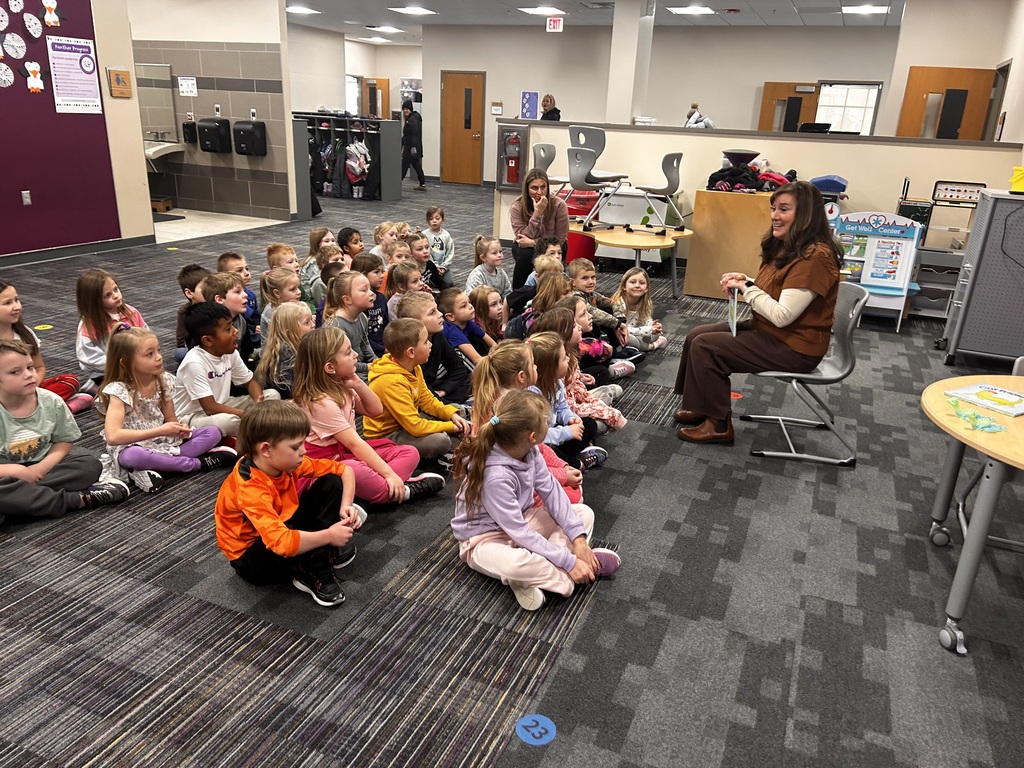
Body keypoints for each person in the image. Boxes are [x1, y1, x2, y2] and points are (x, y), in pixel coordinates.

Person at [673, 180, 842, 445]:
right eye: (774, 208)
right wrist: (745, 281)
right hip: (773, 332)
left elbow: (783, 314)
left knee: (707, 346)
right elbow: (778, 291)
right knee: (697, 335)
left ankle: (717, 425)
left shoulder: (815, 256)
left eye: (784, 209)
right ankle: (703, 406)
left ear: (806, 214)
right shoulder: (790, 245)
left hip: (795, 347)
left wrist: (747, 287)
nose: (775, 215)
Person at [450, 389, 619, 612]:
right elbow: (518, 531)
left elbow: (551, 492)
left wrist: (578, 540)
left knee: (583, 513)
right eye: (546, 422)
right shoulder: (496, 477)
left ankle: (549, 575)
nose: (548, 426)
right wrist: (568, 562)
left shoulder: (530, 452)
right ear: (532, 435)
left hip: (523, 519)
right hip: (484, 540)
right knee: (517, 565)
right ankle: (571, 575)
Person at [214, 400, 364, 608]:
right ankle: (313, 563)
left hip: (282, 525)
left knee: (332, 482)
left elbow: (343, 470)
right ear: (266, 449)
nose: (303, 451)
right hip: (254, 560)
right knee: (296, 539)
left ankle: (316, 554)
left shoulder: (284, 462)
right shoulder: (250, 488)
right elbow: (281, 543)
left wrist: (345, 506)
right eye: (295, 446)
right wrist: (329, 536)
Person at [292, 327, 444, 506]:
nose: (356, 355)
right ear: (330, 367)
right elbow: (354, 443)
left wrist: (357, 383)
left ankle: (370, 493)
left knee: (409, 452)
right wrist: (389, 473)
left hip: (346, 454)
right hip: (325, 465)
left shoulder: (343, 385)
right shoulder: (321, 402)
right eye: (348, 352)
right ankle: (402, 492)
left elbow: (375, 410)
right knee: (353, 469)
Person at [0, 339, 129, 521]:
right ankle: (77, 499)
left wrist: (39, 469)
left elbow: (64, 441)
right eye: (15, 372)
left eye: (30, 367)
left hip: (46, 467)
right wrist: (15, 471)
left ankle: (16, 506)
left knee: (90, 465)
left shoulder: (51, 401)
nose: (29, 375)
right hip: (6, 473)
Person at [98, 326, 234, 493]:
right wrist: (160, 430)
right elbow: (113, 436)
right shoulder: (119, 391)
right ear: (126, 363)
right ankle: (195, 464)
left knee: (213, 432)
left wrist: (178, 429)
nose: (159, 357)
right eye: (150, 354)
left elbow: (170, 419)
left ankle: (156, 467)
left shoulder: (164, 381)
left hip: (163, 442)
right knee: (132, 456)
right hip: (132, 445)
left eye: (158, 351)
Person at [472, 340, 583, 505]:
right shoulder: (517, 410)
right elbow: (523, 469)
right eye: (533, 364)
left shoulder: (508, 398)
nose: (536, 367)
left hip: (523, 470)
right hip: (512, 484)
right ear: (521, 377)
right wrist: (562, 475)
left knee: (573, 490)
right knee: (575, 498)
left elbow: (538, 449)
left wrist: (561, 466)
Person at [362, 318, 471, 462]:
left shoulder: (414, 367)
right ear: (411, 352)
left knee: (457, 411)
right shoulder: (391, 382)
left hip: (406, 424)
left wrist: (451, 416)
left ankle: (455, 439)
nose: (431, 345)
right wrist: (452, 426)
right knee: (440, 441)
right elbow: (415, 427)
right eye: (426, 342)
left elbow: (427, 400)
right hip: (387, 435)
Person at [173, 302, 281, 437]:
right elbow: (210, 407)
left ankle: (259, 429)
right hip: (192, 417)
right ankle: (262, 433)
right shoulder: (194, 362)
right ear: (207, 340)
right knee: (228, 422)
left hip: (223, 404)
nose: (235, 331)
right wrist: (248, 414)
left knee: (272, 395)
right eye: (228, 328)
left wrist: (259, 404)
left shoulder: (230, 352)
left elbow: (250, 381)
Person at [0, 279, 93, 413]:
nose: (16, 306)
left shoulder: (25, 333)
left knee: (69, 381)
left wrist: (30, 387)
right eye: (7, 303)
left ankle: (51, 408)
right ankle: (57, 409)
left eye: (17, 300)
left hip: (29, 389)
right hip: (5, 395)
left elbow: (39, 367)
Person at [526, 331, 606, 471]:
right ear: (550, 368)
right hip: (541, 439)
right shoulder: (531, 396)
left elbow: (562, 408)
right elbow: (536, 437)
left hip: (554, 431)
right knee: (544, 451)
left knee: (589, 424)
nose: (568, 359)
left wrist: (570, 418)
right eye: (563, 358)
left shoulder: (556, 382)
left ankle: (573, 456)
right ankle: (577, 464)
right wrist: (567, 432)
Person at [396, 291, 472, 404]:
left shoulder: (437, 335)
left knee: (473, 380)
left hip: (434, 387)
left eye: (437, 309)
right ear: (416, 323)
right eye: (432, 312)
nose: (440, 314)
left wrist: (443, 391)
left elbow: (458, 368)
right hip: (417, 394)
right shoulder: (410, 349)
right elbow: (416, 389)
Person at [75, 268, 148, 384]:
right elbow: (87, 356)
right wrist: (116, 365)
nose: (115, 295)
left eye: (116, 289)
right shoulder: (89, 324)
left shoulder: (132, 312)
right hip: (105, 372)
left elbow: (146, 336)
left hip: (134, 365)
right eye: (107, 295)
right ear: (95, 301)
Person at [509, 169, 569, 290]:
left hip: (553, 245)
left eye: (543, 187)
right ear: (527, 189)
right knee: (525, 254)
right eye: (534, 188)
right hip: (526, 247)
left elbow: (559, 238)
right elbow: (522, 236)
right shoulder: (517, 206)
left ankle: (557, 290)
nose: (540, 192)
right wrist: (537, 214)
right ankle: (518, 294)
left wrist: (533, 242)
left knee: (556, 251)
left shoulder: (559, 204)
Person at [254, 301, 316, 399]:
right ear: (290, 332)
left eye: (312, 320)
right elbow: (295, 392)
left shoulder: (300, 347)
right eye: (307, 322)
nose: (313, 325)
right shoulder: (285, 355)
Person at [321, 271, 377, 377]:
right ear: (347, 299)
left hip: (363, 371)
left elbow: (365, 345)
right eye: (364, 290)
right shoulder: (335, 327)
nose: (371, 293)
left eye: (370, 289)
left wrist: (377, 362)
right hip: (347, 376)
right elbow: (341, 363)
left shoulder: (361, 317)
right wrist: (369, 367)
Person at [611, 267, 669, 352]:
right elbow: (623, 330)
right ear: (624, 286)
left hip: (637, 332)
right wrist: (648, 329)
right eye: (633, 282)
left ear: (646, 288)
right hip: (619, 335)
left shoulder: (646, 303)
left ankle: (637, 346)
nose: (637, 286)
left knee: (655, 334)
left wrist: (653, 327)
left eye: (642, 283)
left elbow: (647, 322)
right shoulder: (618, 304)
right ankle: (652, 346)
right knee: (630, 338)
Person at [217, 253, 260, 357]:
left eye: (247, 268)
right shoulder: (229, 305)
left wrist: (258, 325)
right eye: (239, 271)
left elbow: (256, 315)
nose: (246, 273)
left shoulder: (250, 295)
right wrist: (254, 329)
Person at [351, 254, 389, 357]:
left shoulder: (381, 298)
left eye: (382, 271)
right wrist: (382, 349)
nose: (382, 275)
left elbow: (386, 324)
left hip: (384, 346)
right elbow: (362, 337)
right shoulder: (361, 303)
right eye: (376, 272)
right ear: (362, 275)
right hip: (368, 352)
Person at [174, 264, 212, 364]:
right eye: (205, 288)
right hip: (195, 348)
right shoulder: (184, 311)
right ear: (189, 293)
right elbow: (181, 338)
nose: (210, 291)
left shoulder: (216, 306)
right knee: (180, 353)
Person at [464, 235, 512, 299]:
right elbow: (474, 299)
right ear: (483, 257)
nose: (499, 255)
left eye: (500, 252)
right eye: (494, 253)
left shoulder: (501, 273)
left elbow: (507, 292)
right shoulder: (477, 276)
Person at [259, 268, 302, 334]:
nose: (299, 292)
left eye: (298, 287)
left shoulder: (295, 305)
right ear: (277, 293)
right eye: (293, 289)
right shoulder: (271, 313)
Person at [425, 206, 456, 288]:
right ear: (427, 221)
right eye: (431, 219)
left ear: (443, 220)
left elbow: (450, 252)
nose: (434, 221)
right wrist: (435, 266)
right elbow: (426, 253)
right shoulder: (425, 235)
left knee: (449, 283)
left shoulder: (446, 235)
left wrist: (444, 266)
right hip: (431, 267)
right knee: (431, 283)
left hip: (443, 266)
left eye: (437, 218)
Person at [401, 99, 426, 191]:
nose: (405, 110)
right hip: (413, 147)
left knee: (404, 166)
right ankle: (422, 183)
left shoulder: (412, 120)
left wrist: (412, 147)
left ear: (410, 109)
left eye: (407, 108)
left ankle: (395, 184)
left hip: (411, 147)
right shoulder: (414, 118)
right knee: (416, 165)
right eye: (404, 109)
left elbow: (413, 135)